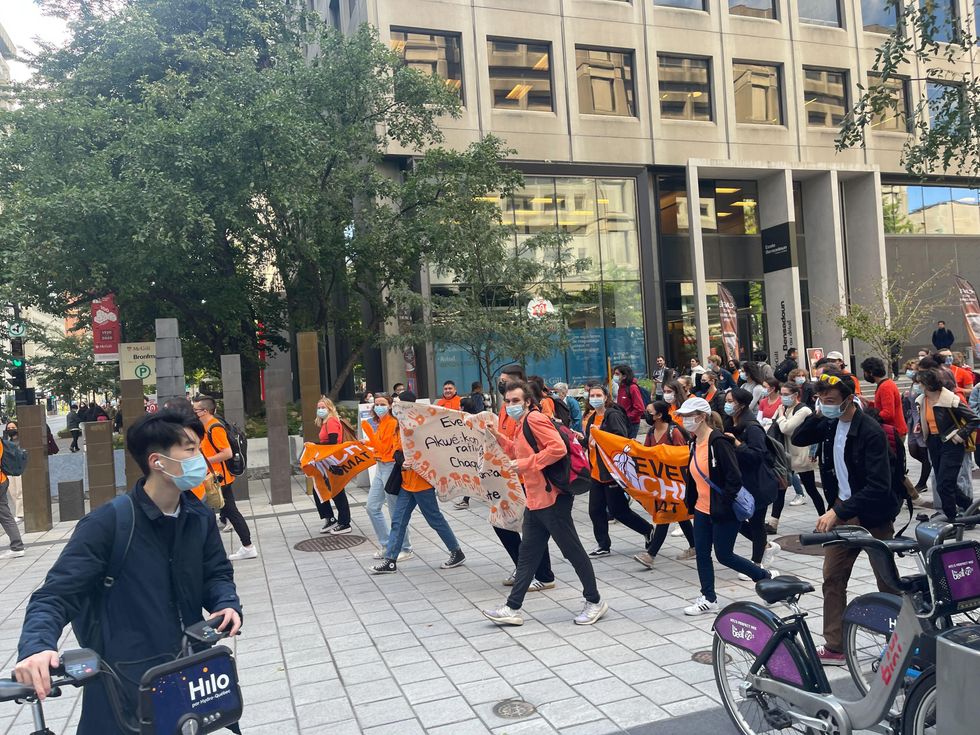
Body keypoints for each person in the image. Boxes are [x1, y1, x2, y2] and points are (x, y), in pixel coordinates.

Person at [13, 410, 242, 733]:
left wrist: (226, 601)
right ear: (157, 461)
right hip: (123, 684)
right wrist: (37, 647)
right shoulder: (109, 523)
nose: (199, 458)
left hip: (189, 671)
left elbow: (216, 572)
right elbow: (54, 596)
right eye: (190, 450)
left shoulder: (198, 515)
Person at [791, 371, 899, 664]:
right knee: (833, 578)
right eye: (821, 399)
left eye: (831, 400)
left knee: (887, 581)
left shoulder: (870, 431)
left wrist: (837, 511)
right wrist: (819, 412)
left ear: (849, 399)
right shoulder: (828, 424)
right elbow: (799, 436)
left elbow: (878, 486)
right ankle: (836, 646)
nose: (825, 404)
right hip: (841, 512)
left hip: (872, 515)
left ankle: (900, 643)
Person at [482, 381, 607, 626]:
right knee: (528, 557)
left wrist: (527, 465)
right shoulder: (521, 424)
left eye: (515, 401)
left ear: (528, 401)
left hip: (553, 499)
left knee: (572, 551)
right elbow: (517, 453)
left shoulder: (534, 420)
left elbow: (557, 449)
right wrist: (497, 435)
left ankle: (594, 601)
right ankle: (512, 607)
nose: (510, 405)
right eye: (507, 402)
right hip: (536, 500)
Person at [681, 397, 776, 616]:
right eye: (683, 416)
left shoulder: (718, 442)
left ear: (701, 416)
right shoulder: (693, 442)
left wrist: (724, 504)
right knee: (702, 553)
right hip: (702, 509)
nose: (685, 420)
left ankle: (764, 577)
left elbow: (734, 476)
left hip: (723, 509)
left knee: (724, 554)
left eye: (688, 416)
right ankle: (708, 598)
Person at [371, 391, 466, 573]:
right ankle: (390, 560)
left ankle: (456, 551)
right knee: (398, 521)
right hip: (407, 483)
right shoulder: (399, 425)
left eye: (399, 404)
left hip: (422, 482)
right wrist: (402, 461)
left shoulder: (420, 426)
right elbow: (397, 452)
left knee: (434, 519)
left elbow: (432, 449)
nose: (396, 407)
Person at [583, 383, 658, 564]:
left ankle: (647, 529)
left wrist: (600, 437)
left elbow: (620, 439)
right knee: (595, 509)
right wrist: (581, 440)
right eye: (591, 395)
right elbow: (590, 441)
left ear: (606, 397)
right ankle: (603, 544)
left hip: (611, 471)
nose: (594, 398)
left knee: (619, 510)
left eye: (598, 395)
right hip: (596, 471)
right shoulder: (593, 417)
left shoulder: (612, 415)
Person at [193, 396, 256, 561]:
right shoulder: (206, 426)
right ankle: (247, 546)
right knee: (228, 512)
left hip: (219, 478)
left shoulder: (214, 427)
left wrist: (203, 460)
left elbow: (226, 453)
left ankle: (248, 546)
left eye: (195, 410)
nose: (193, 413)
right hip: (216, 477)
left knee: (225, 512)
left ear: (205, 411)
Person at [725, 389, 780, 576]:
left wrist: (738, 445)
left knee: (756, 523)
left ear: (741, 404)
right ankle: (766, 545)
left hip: (758, 483)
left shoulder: (752, 427)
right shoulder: (731, 422)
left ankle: (757, 564)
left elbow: (758, 455)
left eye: (730, 401)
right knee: (735, 519)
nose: (727, 404)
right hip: (739, 482)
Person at [916, 367, 980, 520]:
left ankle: (951, 518)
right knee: (946, 483)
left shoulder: (950, 399)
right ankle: (972, 510)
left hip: (951, 443)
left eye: (920, 383)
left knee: (944, 484)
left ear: (928, 384)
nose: (918, 386)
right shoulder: (922, 400)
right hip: (933, 442)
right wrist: (921, 424)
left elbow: (974, 419)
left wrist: (960, 435)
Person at [639, 401, 696, 563]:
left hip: (675, 484)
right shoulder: (650, 432)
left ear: (659, 415)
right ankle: (695, 546)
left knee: (664, 516)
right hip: (660, 484)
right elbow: (647, 454)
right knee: (680, 516)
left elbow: (682, 457)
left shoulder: (674, 432)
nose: (646, 414)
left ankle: (651, 554)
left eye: (649, 411)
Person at [768, 383, 825, 533]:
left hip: (800, 455)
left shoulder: (804, 410)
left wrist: (780, 416)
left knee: (811, 489)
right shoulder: (785, 408)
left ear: (795, 395)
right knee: (781, 489)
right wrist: (780, 416)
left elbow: (786, 428)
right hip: (785, 456)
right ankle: (773, 524)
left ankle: (824, 521)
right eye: (782, 394)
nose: (783, 397)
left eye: (786, 394)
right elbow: (774, 426)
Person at [362, 394, 413, 562]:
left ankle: (405, 547)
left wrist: (370, 438)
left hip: (391, 467)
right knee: (372, 506)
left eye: (382, 404)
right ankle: (386, 545)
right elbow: (380, 445)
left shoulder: (393, 423)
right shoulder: (380, 423)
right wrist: (367, 442)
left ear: (390, 405)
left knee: (395, 510)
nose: (378, 407)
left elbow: (390, 447)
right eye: (376, 404)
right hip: (380, 466)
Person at [313, 396, 353, 534]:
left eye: (323, 407)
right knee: (320, 489)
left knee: (336, 490)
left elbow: (333, 442)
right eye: (318, 408)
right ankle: (330, 519)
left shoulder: (331, 421)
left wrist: (315, 446)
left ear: (330, 408)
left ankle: (344, 522)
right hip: (327, 460)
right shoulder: (325, 422)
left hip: (333, 461)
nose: (320, 410)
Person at [862, 356, 907, 438]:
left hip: (894, 432)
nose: (864, 375)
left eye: (865, 372)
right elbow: (882, 406)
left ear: (871, 372)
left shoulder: (885, 387)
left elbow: (888, 413)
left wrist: (869, 420)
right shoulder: (885, 384)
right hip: (893, 431)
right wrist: (869, 403)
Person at [903, 359, 931, 491]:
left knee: (924, 451)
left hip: (920, 420)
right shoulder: (912, 385)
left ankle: (922, 482)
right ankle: (931, 465)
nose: (910, 371)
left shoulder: (922, 385)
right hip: (911, 420)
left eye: (912, 369)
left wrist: (920, 421)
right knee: (913, 450)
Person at [0, 426, 26, 559]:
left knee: (5, 516)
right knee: (5, 515)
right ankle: (17, 546)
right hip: (2, 480)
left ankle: (17, 546)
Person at [612, 364, 646, 439]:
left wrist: (628, 417)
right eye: (614, 373)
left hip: (632, 423)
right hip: (622, 422)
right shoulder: (620, 387)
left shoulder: (632, 388)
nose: (615, 376)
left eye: (617, 374)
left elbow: (640, 408)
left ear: (624, 376)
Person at [3, 422, 24, 523]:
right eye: (9, 428)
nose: (11, 429)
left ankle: (20, 514)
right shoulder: (5, 441)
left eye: (13, 427)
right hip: (8, 469)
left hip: (18, 469)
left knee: (20, 491)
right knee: (12, 492)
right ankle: (20, 511)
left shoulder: (22, 440)